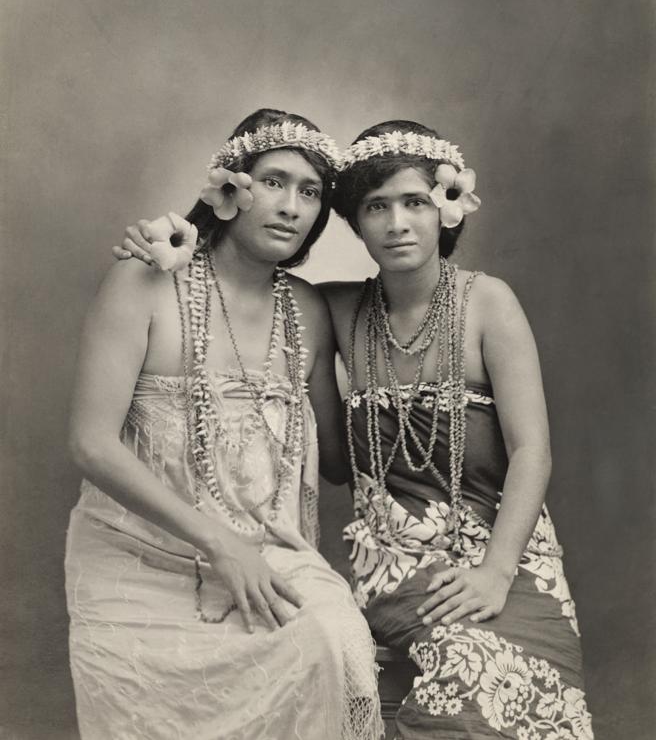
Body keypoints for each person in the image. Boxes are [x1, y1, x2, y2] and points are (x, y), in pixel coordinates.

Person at [117, 118, 594, 739]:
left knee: (535, 671)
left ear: (448, 209)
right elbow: (241, 280)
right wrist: (168, 244)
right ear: (352, 222)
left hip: (510, 551)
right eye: (376, 206)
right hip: (396, 556)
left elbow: (534, 451)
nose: (398, 223)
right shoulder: (333, 308)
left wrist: (498, 570)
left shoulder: (488, 303)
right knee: (468, 661)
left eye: (416, 202)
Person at [66, 109, 383, 740]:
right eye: (274, 181)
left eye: (311, 192)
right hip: (137, 556)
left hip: (270, 554)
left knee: (335, 640)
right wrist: (220, 545)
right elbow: (90, 442)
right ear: (230, 189)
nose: (292, 206)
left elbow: (335, 461)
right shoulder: (146, 280)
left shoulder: (308, 310)